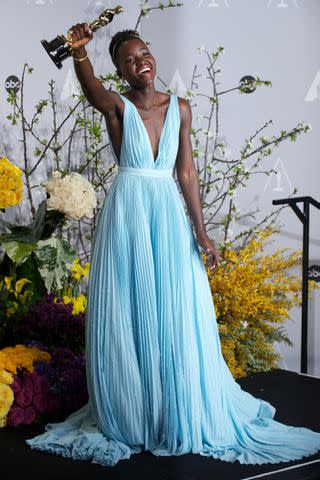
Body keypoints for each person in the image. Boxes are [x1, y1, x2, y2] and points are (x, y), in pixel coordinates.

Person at [26, 25, 320, 467]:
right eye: (128, 59)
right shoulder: (116, 107)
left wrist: (201, 233)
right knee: (129, 311)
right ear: (121, 72)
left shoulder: (180, 108)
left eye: (144, 53)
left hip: (166, 216)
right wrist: (80, 51)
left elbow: (186, 173)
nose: (140, 61)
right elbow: (91, 90)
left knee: (176, 312)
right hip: (127, 218)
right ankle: (134, 416)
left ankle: (173, 411)